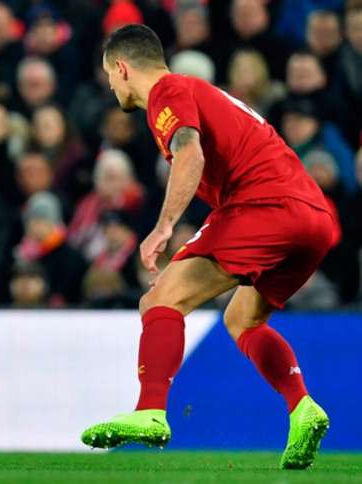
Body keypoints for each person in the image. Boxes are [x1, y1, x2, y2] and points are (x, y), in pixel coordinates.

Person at [80, 25, 336, 470]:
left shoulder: (167, 90)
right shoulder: (197, 91)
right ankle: (303, 407)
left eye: (109, 76)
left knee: (160, 298)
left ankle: (150, 411)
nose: (110, 86)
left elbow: (190, 153)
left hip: (265, 206)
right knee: (242, 318)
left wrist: (163, 227)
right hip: (313, 218)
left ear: (123, 68)